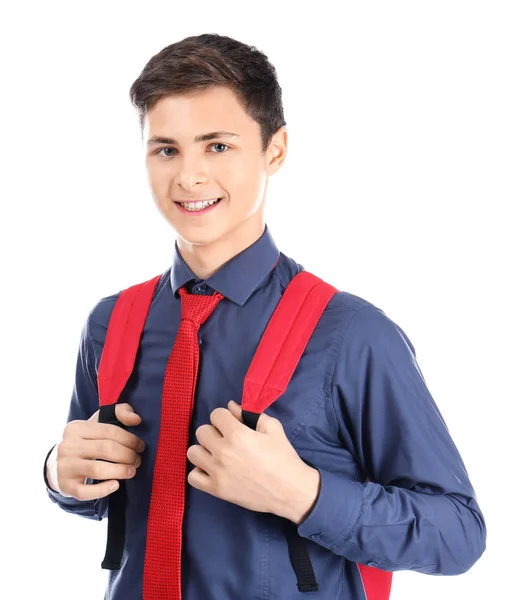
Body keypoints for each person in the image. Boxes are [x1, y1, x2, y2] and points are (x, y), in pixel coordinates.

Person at [43, 33, 486, 600]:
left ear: (274, 149)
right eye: (166, 149)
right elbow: (104, 496)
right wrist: (60, 473)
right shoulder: (110, 323)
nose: (189, 176)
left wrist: (304, 494)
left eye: (218, 146)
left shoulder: (352, 334)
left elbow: (459, 533)